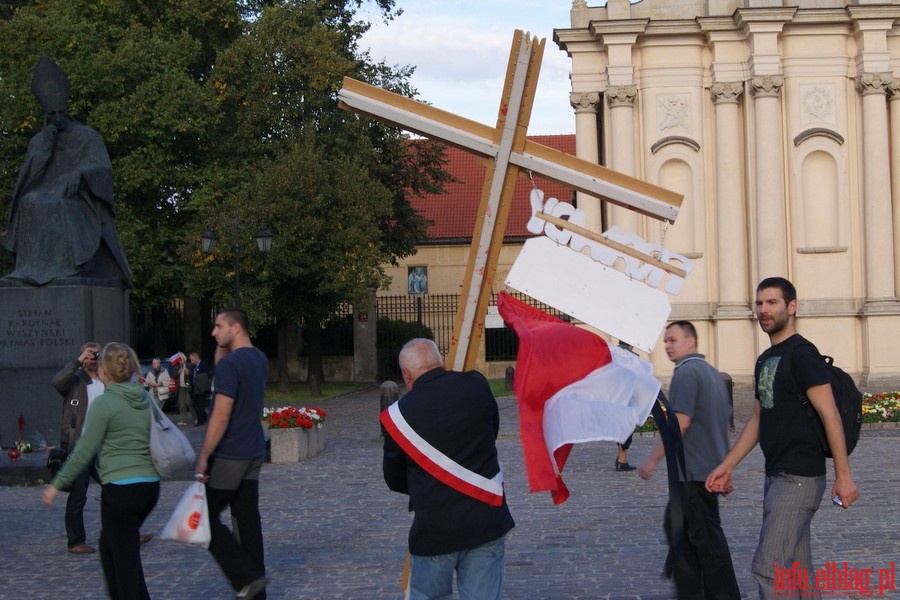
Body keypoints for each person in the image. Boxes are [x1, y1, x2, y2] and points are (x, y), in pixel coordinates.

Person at [706, 278, 859, 599]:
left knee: (770, 567)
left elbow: (829, 413)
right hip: (777, 477)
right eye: (760, 303)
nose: (763, 310)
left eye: (772, 302)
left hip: (800, 479)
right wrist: (728, 465)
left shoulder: (803, 355)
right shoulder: (765, 359)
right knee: (797, 573)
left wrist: (843, 477)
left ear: (791, 307)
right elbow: (759, 419)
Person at [380, 338, 515, 600]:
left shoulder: (399, 415)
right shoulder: (477, 385)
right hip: (485, 519)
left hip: (434, 527)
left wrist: (428, 484)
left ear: (406, 374)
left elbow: (394, 479)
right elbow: (491, 431)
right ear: (439, 361)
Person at [43, 342, 160, 599]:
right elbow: (161, 430)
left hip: (122, 487)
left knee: (122, 558)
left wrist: (55, 485)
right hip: (150, 486)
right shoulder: (141, 395)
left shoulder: (105, 403)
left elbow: (83, 451)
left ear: (106, 369)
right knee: (111, 547)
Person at [3, 55, 130, 286]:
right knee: (28, 202)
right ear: (46, 115)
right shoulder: (39, 141)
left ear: (67, 108)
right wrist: (45, 149)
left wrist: (80, 173)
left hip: (77, 195)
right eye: (53, 115)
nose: (59, 119)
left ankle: (76, 265)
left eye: (62, 112)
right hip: (43, 191)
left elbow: (102, 167)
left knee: (62, 202)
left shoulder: (87, 136)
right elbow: (27, 179)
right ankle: (30, 269)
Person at [638, 321, 740, 600]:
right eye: (666, 342)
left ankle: (711, 594)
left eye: (673, 340)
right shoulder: (712, 374)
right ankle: (694, 591)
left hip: (694, 473)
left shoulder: (686, 372)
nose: (667, 346)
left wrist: (653, 459)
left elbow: (680, 423)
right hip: (706, 471)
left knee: (702, 541)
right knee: (685, 533)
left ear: (690, 342)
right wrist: (726, 468)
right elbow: (723, 426)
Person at [195, 309, 268, 599]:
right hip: (253, 449)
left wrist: (203, 455)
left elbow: (221, 416)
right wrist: (221, 350)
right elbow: (226, 366)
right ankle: (256, 589)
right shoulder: (259, 358)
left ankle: (246, 577)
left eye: (219, 326)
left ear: (235, 327)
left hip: (230, 453)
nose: (214, 332)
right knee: (247, 519)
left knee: (204, 518)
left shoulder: (231, 365)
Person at [50, 342, 104, 554]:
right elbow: (56, 382)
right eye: (88, 355)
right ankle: (75, 541)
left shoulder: (106, 381)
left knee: (117, 488)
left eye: (96, 355)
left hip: (103, 446)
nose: (93, 359)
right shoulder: (74, 381)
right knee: (78, 495)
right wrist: (77, 362)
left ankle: (129, 531)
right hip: (79, 446)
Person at [189, 351, 211, 426]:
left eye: (192, 360)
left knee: (200, 405)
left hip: (202, 388)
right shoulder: (193, 366)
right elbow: (192, 377)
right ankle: (205, 416)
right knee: (194, 404)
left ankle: (200, 420)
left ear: (196, 358)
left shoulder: (203, 365)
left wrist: (206, 387)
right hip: (195, 388)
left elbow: (207, 376)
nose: (191, 362)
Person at [176, 357, 196, 426]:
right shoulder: (178, 367)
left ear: (184, 359)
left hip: (187, 387)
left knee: (188, 402)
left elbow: (194, 374)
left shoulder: (189, 365)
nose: (179, 361)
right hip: (181, 387)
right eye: (178, 360)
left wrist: (188, 373)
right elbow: (173, 376)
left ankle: (196, 418)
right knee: (182, 404)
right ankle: (183, 420)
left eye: (180, 359)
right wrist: (178, 373)